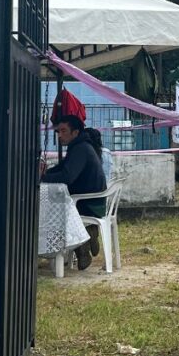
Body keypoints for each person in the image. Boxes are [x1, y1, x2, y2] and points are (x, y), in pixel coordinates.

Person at [40, 115, 107, 270]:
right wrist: (47, 173)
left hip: (88, 204)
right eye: (58, 131)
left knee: (56, 210)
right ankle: (87, 235)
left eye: (64, 131)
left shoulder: (81, 148)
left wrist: (42, 178)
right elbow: (63, 167)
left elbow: (67, 176)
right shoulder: (79, 146)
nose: (60, 135)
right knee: (60, 202)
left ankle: (80, 247)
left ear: (75, 132)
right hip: (94, 200)